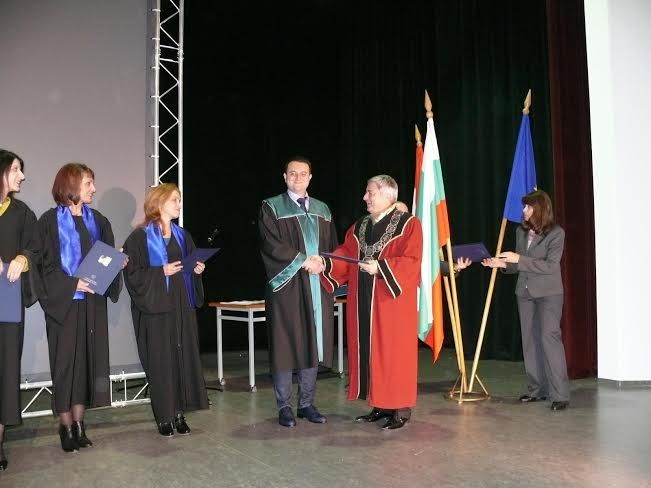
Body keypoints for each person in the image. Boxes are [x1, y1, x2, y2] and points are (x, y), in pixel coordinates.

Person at [315, 175, 422, 430]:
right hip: (362, 300)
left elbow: (412, 260)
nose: (365, 197)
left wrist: (381, 267)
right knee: (370, 352)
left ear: (387, 194)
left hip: (390, 303)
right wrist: (325, 262)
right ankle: (380, 404)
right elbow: (346, 253)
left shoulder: (408, 224)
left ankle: (400, 408)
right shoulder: (361, 225)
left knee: (392, 354)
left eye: (370, 192)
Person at [38, 162, 123, 452]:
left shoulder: (98, 220)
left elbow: (105, 258)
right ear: (71, 185)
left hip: (91, 305)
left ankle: (79, 424)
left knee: (86, 363)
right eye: (88, 183)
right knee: (65, 366)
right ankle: (65, 426)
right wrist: (73, 284)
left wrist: (115, 262)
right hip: (65, 306)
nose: (94, 189)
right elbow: (44, 267)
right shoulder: (48, 222)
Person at [122, 183, 209, 436]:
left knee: (182, 359)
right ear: (158, 203)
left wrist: (197, 270)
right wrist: (161, 271)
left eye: (179, 199)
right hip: (156, 312)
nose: (179, 204)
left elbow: (189, 265)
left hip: (181, 307)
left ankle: (179, 413)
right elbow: (133, 275)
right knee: (161, 363)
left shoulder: (183, 236)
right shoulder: (139, 238)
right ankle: (164, 416)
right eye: (174, 200)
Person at [258, 156, 338, 427]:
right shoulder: (272, 207)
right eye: (292, 173)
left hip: (316, 283)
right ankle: (284, 406)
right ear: (284, 177)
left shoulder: (322, 209)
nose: (298, 178)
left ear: (310, 178)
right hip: (287, 285)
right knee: (284, 344)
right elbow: (271, 245)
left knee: (312, 342)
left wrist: (324, 263)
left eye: (303, 174)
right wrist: (304, 261)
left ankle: (306, 404)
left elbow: (333, 246)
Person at [482, 189, 570, 411]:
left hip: (549, 294)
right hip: (525, 293)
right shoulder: (520, 232)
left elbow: (550, 266)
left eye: (528, 206)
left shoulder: (556, 233)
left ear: (539, 208)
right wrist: (502, 264)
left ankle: (560, 394)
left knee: (549, 338)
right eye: (524, 206)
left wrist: (519, 258)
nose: (524, 210)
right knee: (530, 341)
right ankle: (537, 390)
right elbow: (518, 266)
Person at [0, 149, 40, 471]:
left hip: (7, 296)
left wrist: (21, 258)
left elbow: (34, 246)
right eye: (15, 169)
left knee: (5, 366)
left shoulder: (22, 212)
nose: (22, 176)